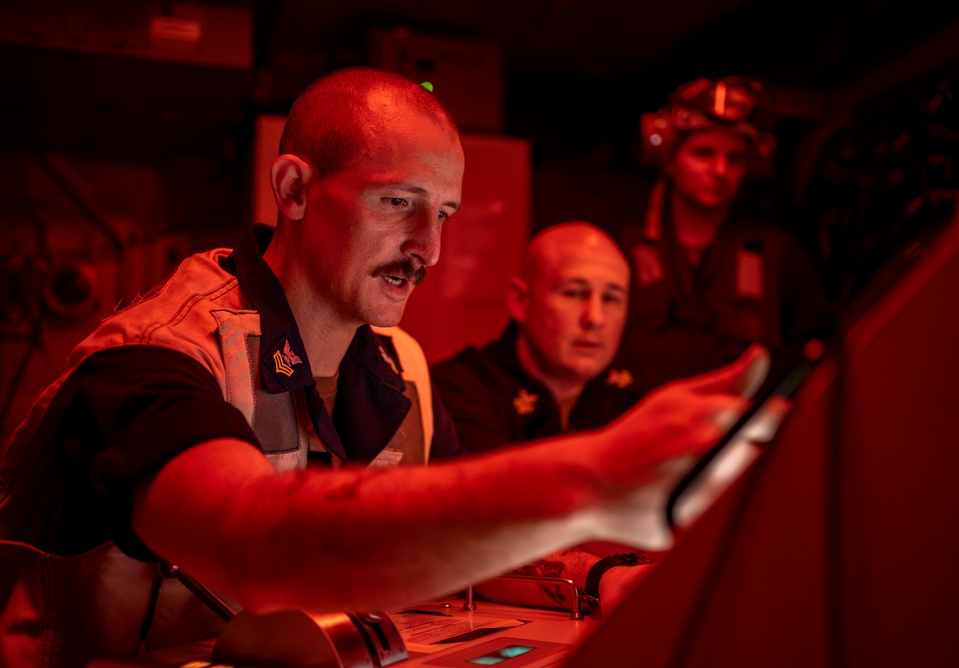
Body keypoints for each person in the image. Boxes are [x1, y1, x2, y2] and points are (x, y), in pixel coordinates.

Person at [0, 67, 766, 667]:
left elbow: (454, 554)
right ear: (294, 189)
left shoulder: (391, 372)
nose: (427, 250)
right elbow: (258, 549)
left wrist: (596, 578)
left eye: (445, 215)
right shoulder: (155, 358)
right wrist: (592, 477)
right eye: (398, 203)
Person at [621, 76, 834, 387]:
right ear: (669, 160)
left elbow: (817, 354)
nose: (720, 170)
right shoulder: (624, 251)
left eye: (734, 158)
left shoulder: (778, 254)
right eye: (704, 153)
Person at [432, 221, 641, 453]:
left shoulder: (644, 396)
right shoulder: (461, 390)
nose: (595, 318)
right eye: (573, 293)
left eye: (611, 299)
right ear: (521, 301)